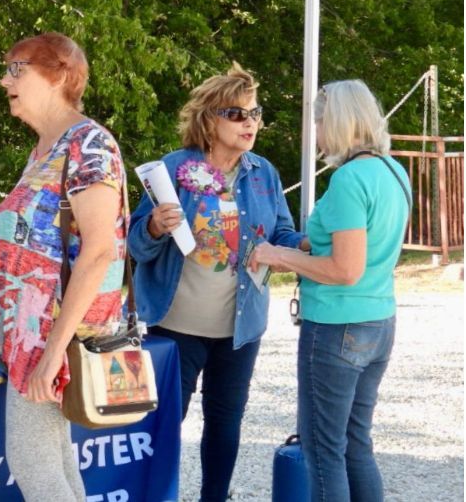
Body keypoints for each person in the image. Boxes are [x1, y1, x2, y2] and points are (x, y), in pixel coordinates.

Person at [128, 63, 305, 502]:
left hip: (241, 327)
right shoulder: (172, 168)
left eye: (256, 113)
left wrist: (307, 246)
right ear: (210, 119)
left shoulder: (264, 173)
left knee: (226, 423)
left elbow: (281, 232)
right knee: (165, 423)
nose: (251, 123)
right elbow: (133, 246)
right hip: (177, 325)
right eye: (238, 114)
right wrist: (152, 227)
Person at [0, 32, 127, 501]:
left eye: (17, 69)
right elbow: (37, 252)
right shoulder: (47, 148)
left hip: (55, 337)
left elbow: (100, 251)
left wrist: (54, 349)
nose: (5, 80)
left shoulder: (88, 145)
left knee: (34, 466)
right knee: (54, 462)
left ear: (58, 75)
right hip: (29, 335)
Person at [250, 80, 409, 502]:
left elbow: (344, 268)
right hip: (379, 321)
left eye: (318, 121)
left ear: (335, 122)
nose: (316, 132)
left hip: (337, 326)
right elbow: (361, 242)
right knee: (357, 443)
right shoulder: (393, 172)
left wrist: (275, 256)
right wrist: (302, 243)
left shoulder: (348, 179)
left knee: (322, 450)